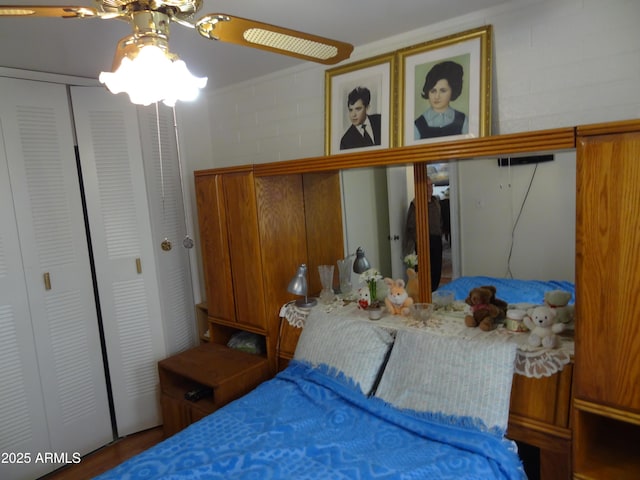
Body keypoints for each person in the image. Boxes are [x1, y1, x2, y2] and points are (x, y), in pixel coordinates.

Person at [403, 176, 443, 291]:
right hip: (423, 241)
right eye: (427, 186)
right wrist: (419, 240)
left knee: (436, 268)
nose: (430, 188)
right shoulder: (416, 204)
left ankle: (434, 291)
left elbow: (439, 220)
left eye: (431, 185)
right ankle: (423, 292)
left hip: (436, 240)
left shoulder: (436, 202)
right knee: (423, 269)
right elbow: (410, 226)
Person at [414, 60, 469, 140]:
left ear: (452, 91)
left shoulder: (463, 120)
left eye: (443, 91)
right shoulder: (418, 125)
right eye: (433, 91)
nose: (437, 96)